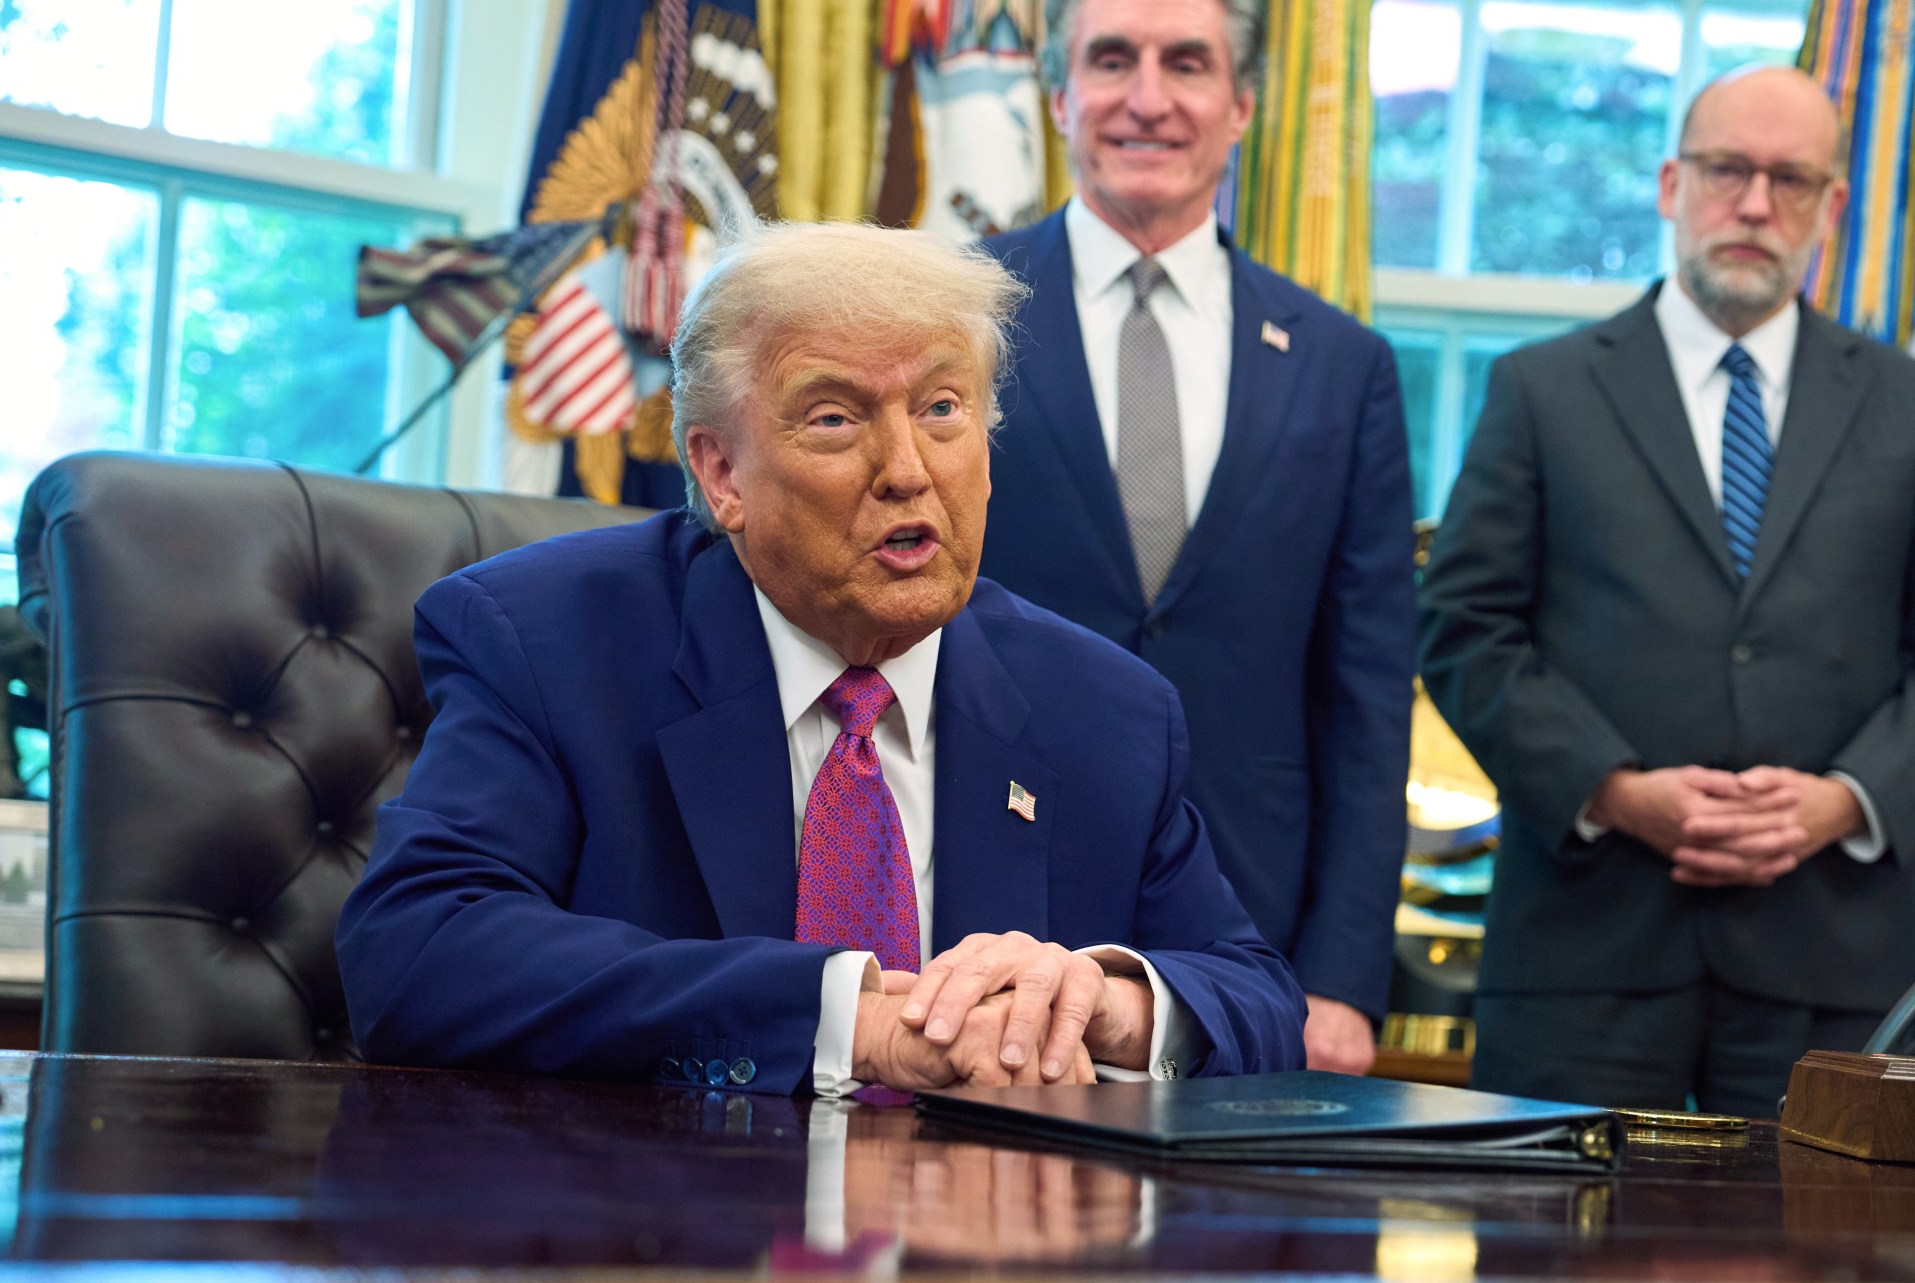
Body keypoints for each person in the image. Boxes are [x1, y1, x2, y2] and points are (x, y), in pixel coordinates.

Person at [337, 222, 1308, 1095]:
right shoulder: (549, 641)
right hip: (652, 1247)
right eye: (836, 419)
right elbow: (419, 953)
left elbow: (1255, 998)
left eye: (941, 408)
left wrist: (1108, 1003)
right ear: (722, 473)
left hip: (986, 1265)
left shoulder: (1103, 707)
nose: (908, 470)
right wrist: (853, 1022)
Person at [1416, 66, 1915, 1115]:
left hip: (1829, 963)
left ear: (1831, 208)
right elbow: (1464, 630)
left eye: (1790, 181)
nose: (1753, 205)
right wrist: (1612, 791)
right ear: (1667, 184)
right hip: (1583, 955)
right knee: (1562, 1273)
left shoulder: (1912, 408)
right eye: (1727, 170)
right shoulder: (1542, 390)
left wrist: (1844, 802)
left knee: (1812, 1277)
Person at [977, 0, 1414, 1075]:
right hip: (980, 907)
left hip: (1248, 946)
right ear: (1058, 92)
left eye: (1187, 64)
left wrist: (1343, 976)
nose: (1149, 98)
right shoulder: (955, 319)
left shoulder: (1340, 362)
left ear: (1242, 105)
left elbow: (1365, 692)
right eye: (1111, 60)